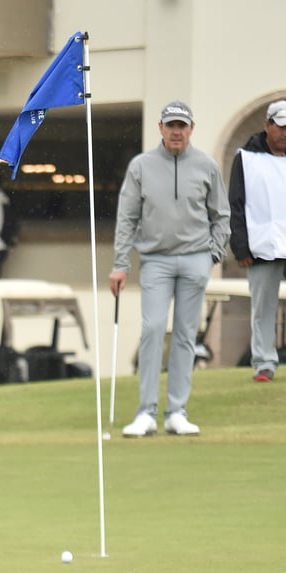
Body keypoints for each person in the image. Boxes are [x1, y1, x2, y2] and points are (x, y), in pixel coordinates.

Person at [109, 101, 230, 437]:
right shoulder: (141, 166)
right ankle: (146, 413)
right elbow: (127, 218)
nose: (177, 132)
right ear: (161, 128)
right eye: (171, 125)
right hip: (156, 260)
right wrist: (120, 264)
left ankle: (177, 411)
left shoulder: (206, 165)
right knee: (152, 330)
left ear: (191, 129)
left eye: (182, 126)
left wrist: (212, 255)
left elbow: (221, 215)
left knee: (185, 335)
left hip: (195, 259)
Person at [228, 100, 286, 382]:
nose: (285, 132)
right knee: (263, 307)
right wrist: (240, 246)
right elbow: (236, 204)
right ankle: (264, 363)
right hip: (261, 245)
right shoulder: (245, 158)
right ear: (267, 125)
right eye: (281, 126)